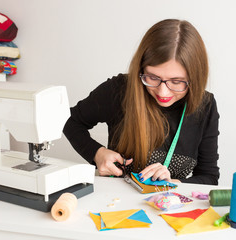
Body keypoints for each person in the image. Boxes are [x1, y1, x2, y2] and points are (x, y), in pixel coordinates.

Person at [63, 19, 220, 185]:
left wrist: (172, 182)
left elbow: (209, 177)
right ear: (141, 69)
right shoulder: (119, 90)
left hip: (168, 207)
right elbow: (69, 121)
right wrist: (97, 153)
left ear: (195, 77)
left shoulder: (206, 106)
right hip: (116, 204)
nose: (163, 92)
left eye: (176, 81)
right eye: (153, 77)